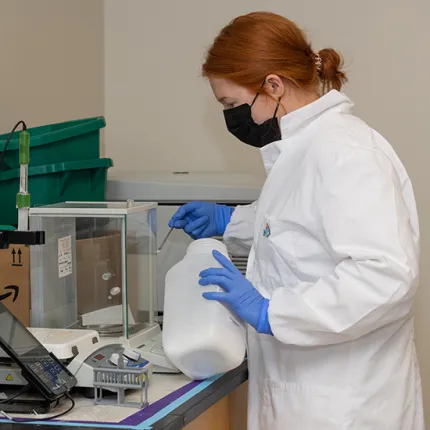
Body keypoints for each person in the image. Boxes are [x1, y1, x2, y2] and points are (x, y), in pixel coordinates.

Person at [169, 11, 424, 430]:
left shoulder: (346, 154)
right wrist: (228, 221)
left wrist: (272, 311)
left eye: (232, 104)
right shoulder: (302, 150)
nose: (231, 117)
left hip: (346, 403)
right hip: (305, 391)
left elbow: (386, 277)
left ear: (273, 85)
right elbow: (297, 225)